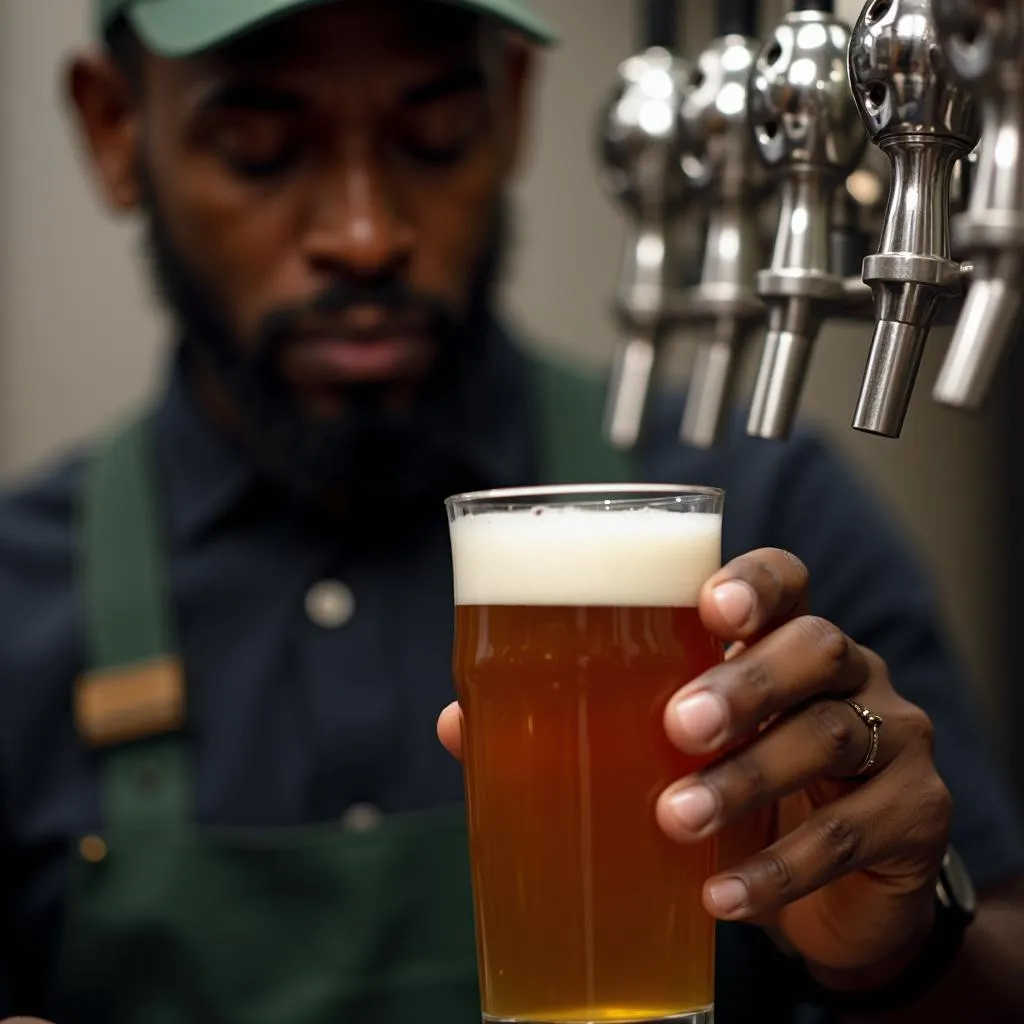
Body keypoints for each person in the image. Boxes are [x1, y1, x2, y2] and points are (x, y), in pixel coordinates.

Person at [0, 0, 1022, 1021]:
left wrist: (901, 948)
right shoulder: (19, 593)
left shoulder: (752, 519)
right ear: (114, 129)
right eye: (260, 147)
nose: (365, 235)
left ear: (515, 107)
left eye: (434, 135)